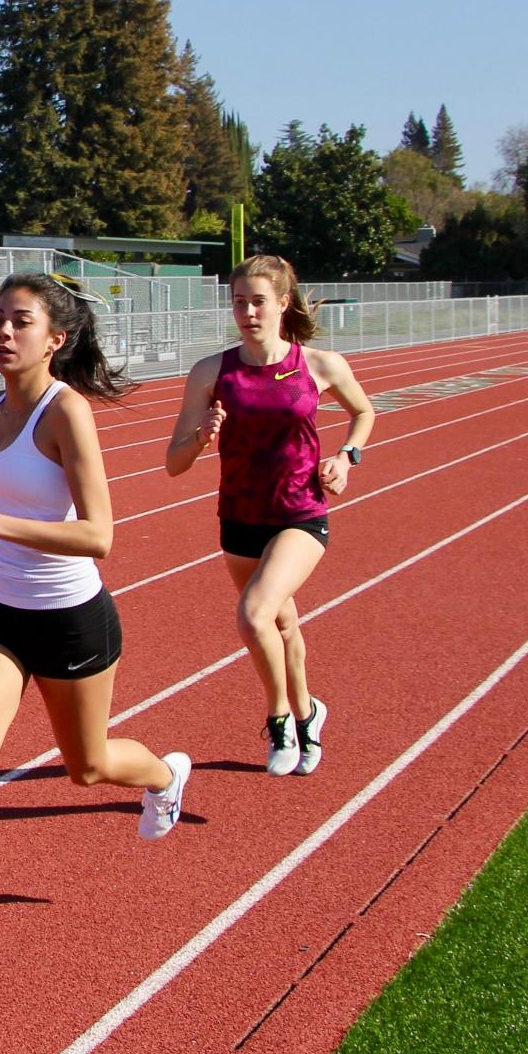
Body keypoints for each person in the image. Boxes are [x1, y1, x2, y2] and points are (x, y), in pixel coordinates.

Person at [0, 272, 191, 1012]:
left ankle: (162, 775)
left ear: (53, 340)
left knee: (87, 766)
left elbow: (98, 535)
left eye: (19, 321)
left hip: (69, 618)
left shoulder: (67, 415)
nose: (2, 331)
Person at [164, 254, 375, 776]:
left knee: (255, 613)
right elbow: (174, 463)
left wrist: (347, 457)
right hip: (239, 517)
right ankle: (310, 712)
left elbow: (364, 411)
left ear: (282, 304)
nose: (247, 312)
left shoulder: (320, 365)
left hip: (301, 512)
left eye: (258, 301)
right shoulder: (212, 372)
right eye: (239, 302)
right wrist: (201, 436)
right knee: (281, 624)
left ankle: (279, 718)